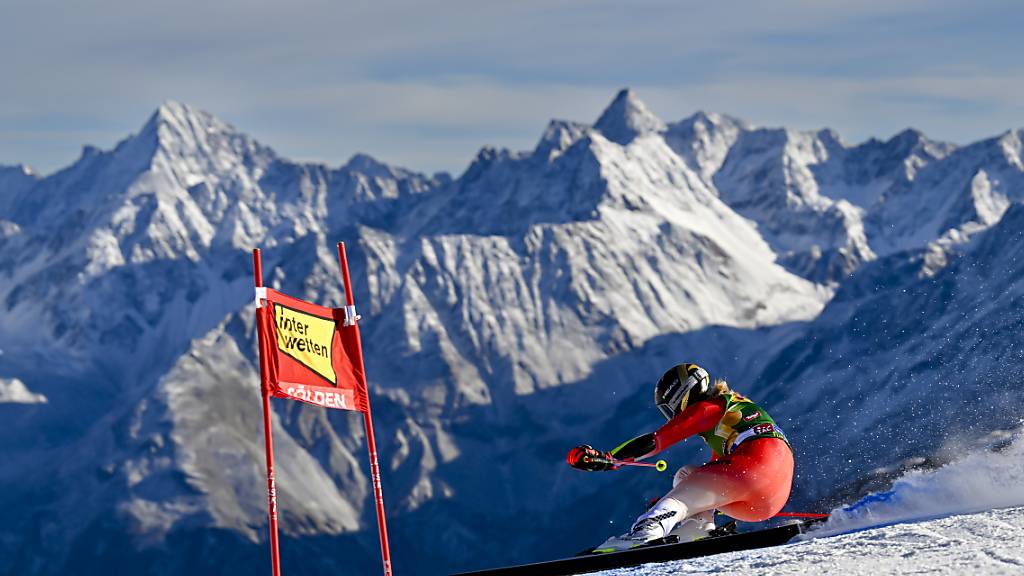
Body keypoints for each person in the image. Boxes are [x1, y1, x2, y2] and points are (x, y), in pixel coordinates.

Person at [566, 363, 794, 552]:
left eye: (668, 409)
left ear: (680, 396)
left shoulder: (709, 407)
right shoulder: (734, 410)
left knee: (682, 492)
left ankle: (645, 532)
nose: (672, 416)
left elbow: (659, 439)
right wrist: (685, 500)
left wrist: (609, 459)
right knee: (687, 474)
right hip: (772, 492)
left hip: (753, 468)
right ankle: (697, 528)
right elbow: (716, 478)